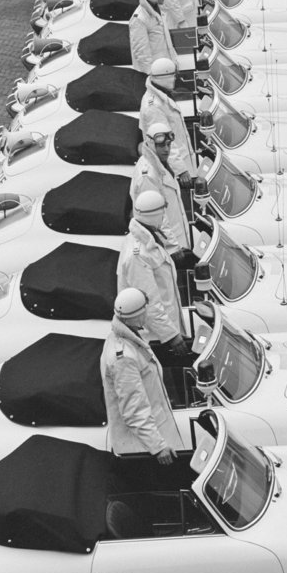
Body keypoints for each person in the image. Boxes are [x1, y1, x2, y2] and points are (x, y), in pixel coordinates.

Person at [101, 287, 183, 463]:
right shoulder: (123, 358)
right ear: (138, 314)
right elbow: (134, 409)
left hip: (155, 431)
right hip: (143, 447)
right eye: (146, 307)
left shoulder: (129, 337)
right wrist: (158, 447)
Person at [117, 191, 189, 355]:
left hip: (164, 328)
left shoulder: (147, 239)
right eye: (162, 212)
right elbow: (147, 303)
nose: (164, 216)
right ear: (155, 215)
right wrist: (172, 337)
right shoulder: (139, 255)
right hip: (156, 338)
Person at [130, 121, 191, 254]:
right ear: (151, 144)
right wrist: (172, 247)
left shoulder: (161, 164)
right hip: (166, 247)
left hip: (176, 238)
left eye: (168, 145)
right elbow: (154, 216)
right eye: (161, 145)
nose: (166, 149)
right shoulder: (148, 176)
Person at [139, 57, 197, 182]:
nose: (175, 78)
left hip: (182, 159)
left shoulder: (161, 96)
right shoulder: (153, 107)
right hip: (173, 169)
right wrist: (180, 170)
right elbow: (162, 141)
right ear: (164, 78)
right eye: (173, 75)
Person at [128, 0, 177, 74]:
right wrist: (152, 74)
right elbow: (141, 52)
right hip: (156, 73)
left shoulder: (159, 10)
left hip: (167, 67)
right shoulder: (139, 19)